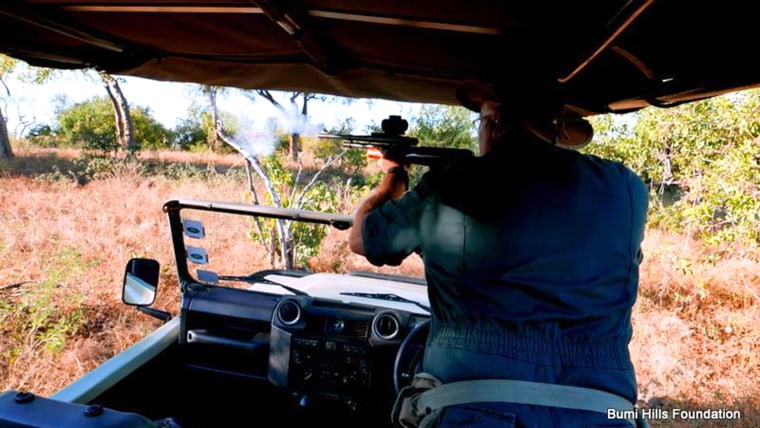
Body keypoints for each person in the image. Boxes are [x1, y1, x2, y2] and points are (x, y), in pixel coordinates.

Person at [348, 80, 649, 427]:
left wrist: (392, 176)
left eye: (481, 121)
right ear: (554, 125)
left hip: (470, 405)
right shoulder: (625, 188)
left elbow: (362, 239)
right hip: (600, 410)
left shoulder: (451, 185)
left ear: (495, 121)